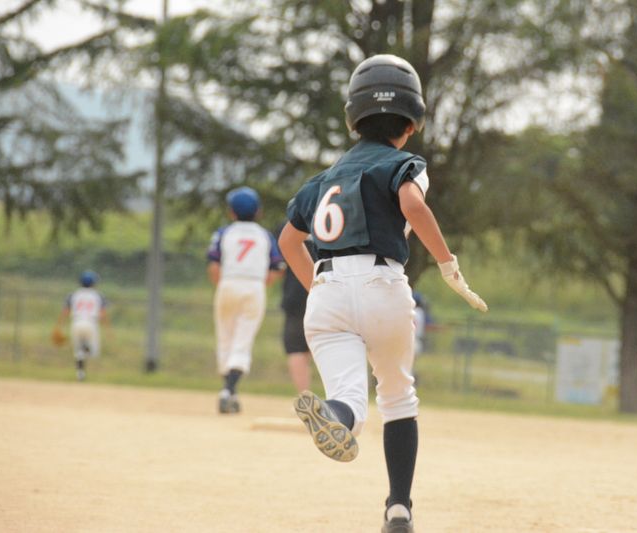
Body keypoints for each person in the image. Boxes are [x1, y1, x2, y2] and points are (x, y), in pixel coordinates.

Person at [278, 54, 487, 533]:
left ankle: (336, 415)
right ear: (412, 125)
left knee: (348, 397)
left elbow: (289, 241)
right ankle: (398, 509)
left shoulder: (321, 181)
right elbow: (412, 203)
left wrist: (318, 287)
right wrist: (448, 264)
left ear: (353, 121)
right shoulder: (403, 163)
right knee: (397, 396)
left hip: (327, 287)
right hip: (382, 284)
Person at [207, 186, 284, 414]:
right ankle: (229, 390)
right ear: (258, 212)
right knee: (243, 339)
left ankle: (229, 389)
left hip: (228, 283)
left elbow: (213, 265)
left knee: (225, 337)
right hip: (254, 286)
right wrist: (262, 283)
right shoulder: (265, 235)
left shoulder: (224, 233)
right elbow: (278, 267)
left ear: (231, 212)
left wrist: (222, 285)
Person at [277, 226, 317, 393]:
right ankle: (341, 397)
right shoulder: (338, 215)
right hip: (329, 289)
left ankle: (305, 394)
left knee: (296, 346)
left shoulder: (294, 219)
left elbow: (278, 265)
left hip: (296, 293)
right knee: (332, 341)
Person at [55, 270, 109, 381]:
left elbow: (65, 312)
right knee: (93, 352)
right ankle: (85, 349)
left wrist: (58, 326)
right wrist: (108, 329)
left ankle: (80, 373)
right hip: (91, 323)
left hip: (76, 322)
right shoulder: (98, 295)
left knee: (78, 352)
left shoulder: (73, 294)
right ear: (94, 282)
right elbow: (103, 313)